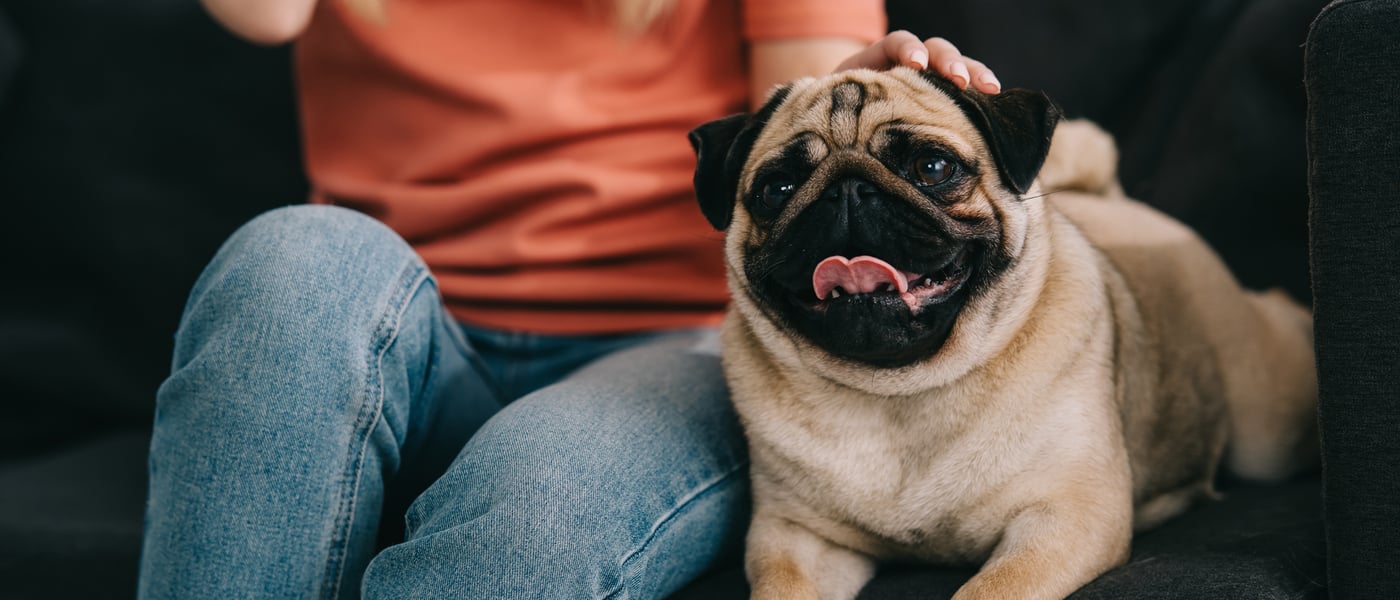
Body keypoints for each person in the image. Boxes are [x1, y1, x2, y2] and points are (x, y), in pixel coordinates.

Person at [137, 0, 1000, 597]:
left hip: (666, 347)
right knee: (289, 255)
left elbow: (804, 128)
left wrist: (850, 114)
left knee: (530, 509)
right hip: (395, 338)